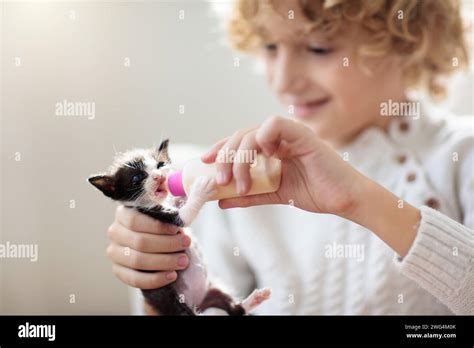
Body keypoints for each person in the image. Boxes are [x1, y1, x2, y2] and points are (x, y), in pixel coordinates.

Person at [105, 0, 473, 314]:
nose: (283, 80)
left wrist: (360, 201)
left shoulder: (461, 158)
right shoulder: (238, 181)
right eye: (268, 46)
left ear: (409, 39)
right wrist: (159, 286)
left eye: (318, 48)